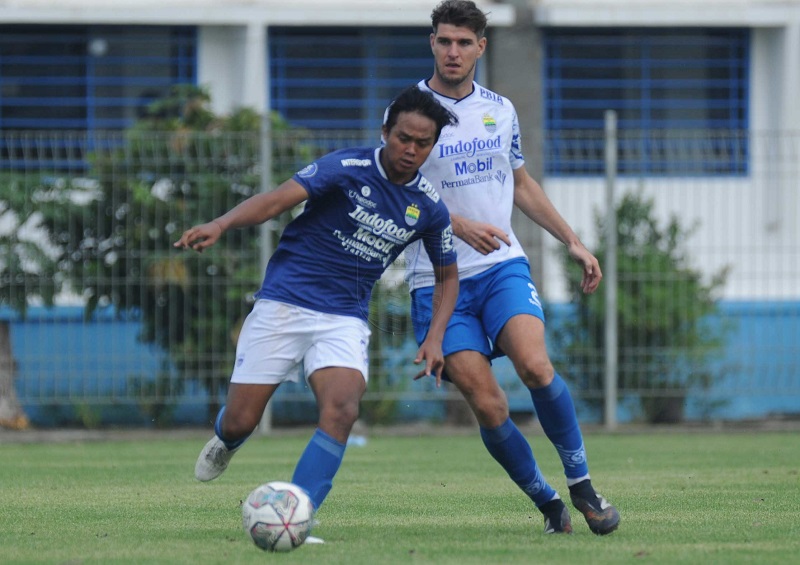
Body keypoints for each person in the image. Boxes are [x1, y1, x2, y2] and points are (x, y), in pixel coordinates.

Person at [175, 86, 460, 526]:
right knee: (240, 421)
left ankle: (294, 515)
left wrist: (436, 337)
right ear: (386, 131)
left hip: (343, 318)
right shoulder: (345, 168)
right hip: (285, 303)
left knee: (343, 408)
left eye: (423, 143)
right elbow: (275, 201)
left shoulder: (428, 207)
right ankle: (227, 439)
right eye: (404, 137)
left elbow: (448, 276)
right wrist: (221, 223)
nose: (411, 149)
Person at [401, 0, 620, 535]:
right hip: (438, 282)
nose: (453, 51)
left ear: (481, 46)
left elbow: (520, 184)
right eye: (444, 40)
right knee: (488, 402)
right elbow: (395, 194)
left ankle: (583, 487)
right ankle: (548, 504)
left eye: (463, 42)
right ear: (432, 43)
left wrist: (572, 240)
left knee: (536, 367)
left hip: (501, 268)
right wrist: (452, 224)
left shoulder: (500, 109)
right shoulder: (408, 111)